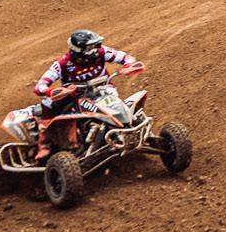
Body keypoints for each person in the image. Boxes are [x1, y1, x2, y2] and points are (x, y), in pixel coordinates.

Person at [30, 30, 142, 159]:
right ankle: (44, 144)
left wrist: (129, 65)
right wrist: (52, 91)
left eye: (95, 46)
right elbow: (40, 86)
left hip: (103, 89)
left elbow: (125, 57)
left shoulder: (102, 52)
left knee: (116, 101)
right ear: (77, 50)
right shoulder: (62, 64)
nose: (95, 50)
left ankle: (127, 126)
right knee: (47, 102)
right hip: (76, 96)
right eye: (90, 48)